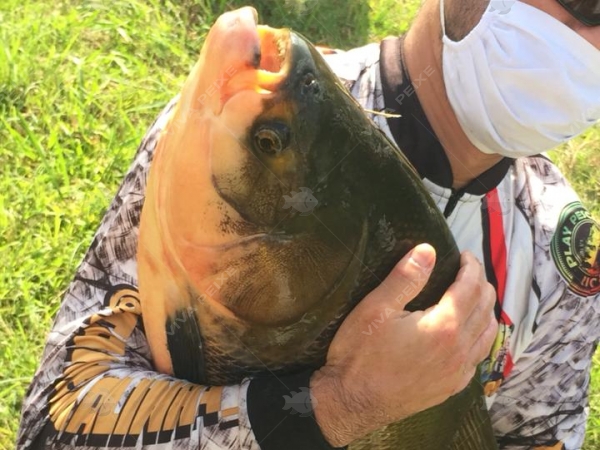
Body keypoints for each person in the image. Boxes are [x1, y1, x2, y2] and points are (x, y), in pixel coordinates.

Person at [17, 0, 600, 449]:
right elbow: (55, 425)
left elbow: (539, 435)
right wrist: (338, 405)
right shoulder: (255, 124)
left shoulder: (561, 253)